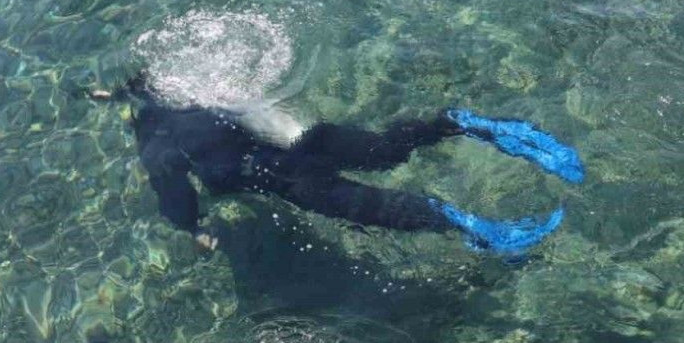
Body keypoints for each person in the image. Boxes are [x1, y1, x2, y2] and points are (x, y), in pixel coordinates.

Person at [91, 78, 584, 257]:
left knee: (383, 208)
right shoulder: (195, 94)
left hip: (287, 178)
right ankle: (457, 123)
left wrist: (194, 228)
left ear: (137, 117)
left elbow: (177, 201)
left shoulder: (156, 149)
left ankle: (474, 229)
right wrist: (118, 92)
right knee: (387, 150)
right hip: (312, 141)